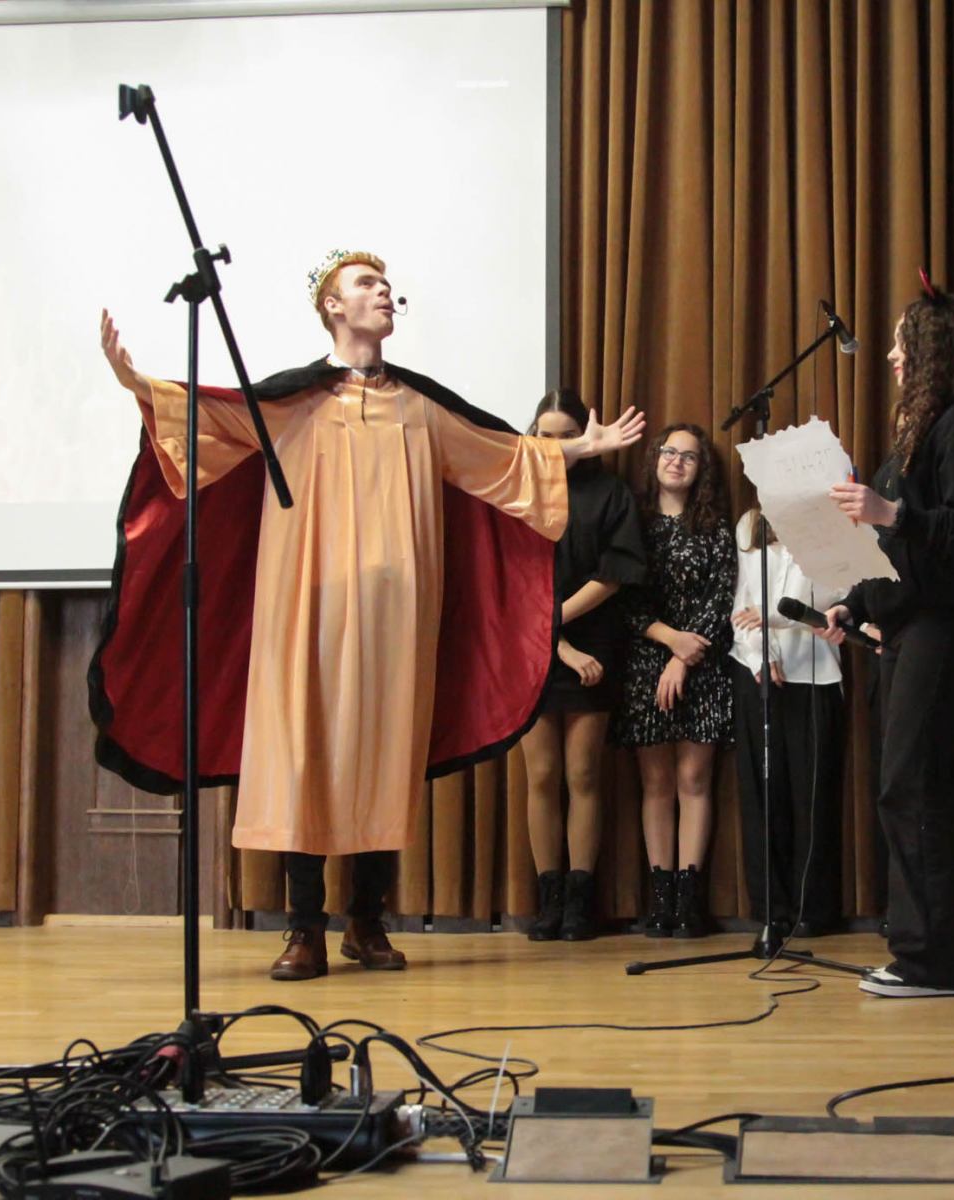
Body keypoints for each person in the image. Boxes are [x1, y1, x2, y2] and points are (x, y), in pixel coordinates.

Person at [92, 251, 644, 981]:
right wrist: (140, 385)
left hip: (396, 615)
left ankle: (367, 920)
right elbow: (208, 418)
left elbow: (502, 459)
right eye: (366, 284)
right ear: (332, 306)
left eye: (386, 285)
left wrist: (580, 447)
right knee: (306, 755)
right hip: (306, 609)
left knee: (385, 756)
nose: (384, 293)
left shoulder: (419, 407)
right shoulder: (291, 404)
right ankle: (304, 929)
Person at [822, 277, 954, 998]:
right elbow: (897, 548)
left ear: (932, 351)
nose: (890, 356)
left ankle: (932, 959)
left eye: (901, 344)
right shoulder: (926, 431)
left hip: (946, 626)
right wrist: (853, 604)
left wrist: (889, 512)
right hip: (913, 625)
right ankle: (930, 952)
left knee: (913, 785)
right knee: (914, 784)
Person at [519, 389, 648, 942]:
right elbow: (510, 579)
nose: (555, 446)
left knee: (583, 773)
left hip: (593, 642)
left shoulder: (610, 493)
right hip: (530, 644)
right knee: (541, 775)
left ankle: (579, 898)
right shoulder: (519, 490)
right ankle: (547, 898)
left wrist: (557, 628)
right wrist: (553, 640)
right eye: (544, 436)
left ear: (585, 437)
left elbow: (613, 574)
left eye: (566, 436)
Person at [613, 424, 736, 938]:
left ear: (701, 469)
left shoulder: (715, 528)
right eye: (669, 451)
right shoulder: (633, 524)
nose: (677, 461)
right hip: (646, 661)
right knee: (657, 784)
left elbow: (722, 597)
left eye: (689, 456)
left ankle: (689, 899)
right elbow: (624, 599)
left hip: (702, 665)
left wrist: (685, 657)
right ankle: (660, 898)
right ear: (654, 459)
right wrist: (669, 642)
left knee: (694, 781)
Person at [728, 503, 848, 944]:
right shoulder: (750, 523)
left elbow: (835, 596)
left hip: (816, 670)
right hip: (758, 668)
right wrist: (762, 650)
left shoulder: (831, 523)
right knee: (764, 794)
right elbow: (742, 605)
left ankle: (812, 908)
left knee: (812, 794)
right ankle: (770, 909)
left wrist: (775, 617)